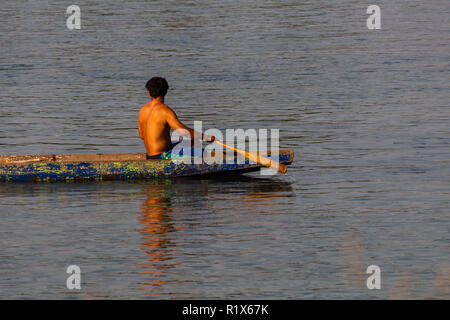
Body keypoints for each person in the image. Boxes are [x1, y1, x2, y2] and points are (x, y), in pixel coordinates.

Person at [139, 77, 214, 159]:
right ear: (165, 92)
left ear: (149, 93)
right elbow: (185, 132)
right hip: (161, 156)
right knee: (205, 152)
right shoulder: (165, 111)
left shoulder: (143, 109)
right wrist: (206, 137)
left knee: (193, 142)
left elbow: (142, 136)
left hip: (149, 155)